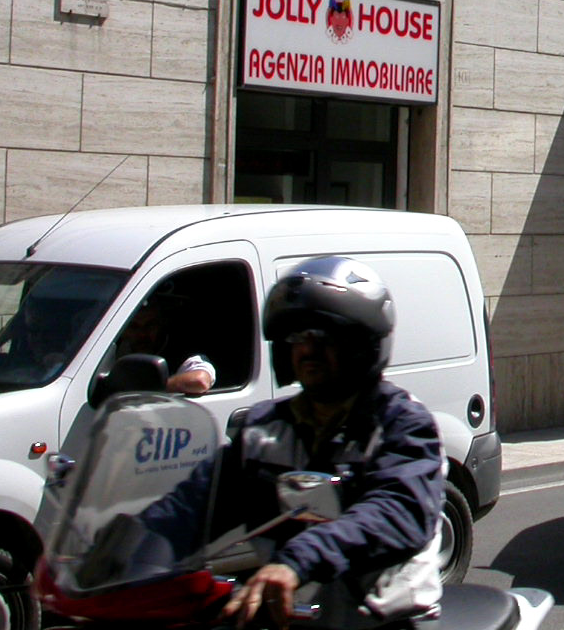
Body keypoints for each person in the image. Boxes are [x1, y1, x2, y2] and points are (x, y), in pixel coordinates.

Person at [140, 257, 444, 629]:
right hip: (291, 616)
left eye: (326, 336)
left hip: (386, 618)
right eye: (298, 337)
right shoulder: (264, 428)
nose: (309, 349)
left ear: (363, 346)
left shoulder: (403, 424)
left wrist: (296, 562)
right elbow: (199, 500)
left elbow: (397, 509)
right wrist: (130, 543)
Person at [113, 298, 215, 395]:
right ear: (124, 330)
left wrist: (147, 391)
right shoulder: (117, 347)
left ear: (161, 324)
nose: (142, 334)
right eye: (134, 327)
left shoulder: (180, 351)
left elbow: (200, 381)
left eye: (150, 325)